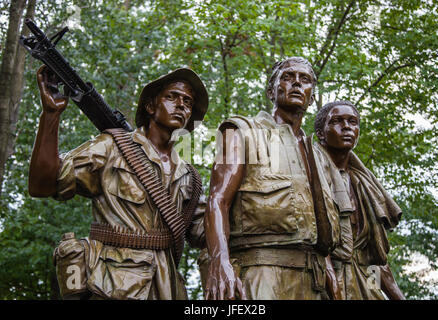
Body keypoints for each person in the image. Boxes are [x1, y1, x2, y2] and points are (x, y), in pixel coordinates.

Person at [28, 65, 208, 300]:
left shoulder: (189, 177)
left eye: (188, 101)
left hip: (168, 288)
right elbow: (42, 185)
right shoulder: (111, 147)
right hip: (114, 285)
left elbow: (205, 233)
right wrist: (51, 115)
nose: (181, 105)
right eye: (172, 96)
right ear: (151, 106)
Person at [203, 57, 342, 300]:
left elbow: (318, 220)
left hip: (313, 280)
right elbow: (218, 200)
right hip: (261, 274)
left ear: (312, 96)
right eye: (288, 77)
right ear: (271, 90)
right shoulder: (244, 132)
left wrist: (329, 270)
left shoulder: (317, 154)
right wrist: (219, 260)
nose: (297, 84)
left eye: (305, 80)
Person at [313, 100, 405, 300]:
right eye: (337, 121)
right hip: (318, 282)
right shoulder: (308, 172)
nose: (346, 126)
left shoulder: (364, 184)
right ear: (321, 133)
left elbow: (375, 258)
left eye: (352, 122)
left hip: (363, 282)